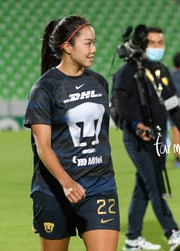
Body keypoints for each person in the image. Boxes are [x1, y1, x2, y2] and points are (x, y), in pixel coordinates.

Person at [23, 15, 119, 251]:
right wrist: (66, 183)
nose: (93, 49)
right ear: (67, 47)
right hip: (55, 190)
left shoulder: (99, 83)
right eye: (88, 43)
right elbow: (42, 146)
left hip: (100, 186)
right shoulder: (44, 88)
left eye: (94, 42)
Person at [113, 26, 180, 251]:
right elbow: (121, 103)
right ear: (142, 45)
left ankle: (132, 239)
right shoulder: (127, 72)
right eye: (153, 43)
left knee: (144, 187)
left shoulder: (162, 71)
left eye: (161, 42)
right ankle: (172, 231)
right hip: (137, 139)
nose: (158, 47)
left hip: (158, 138)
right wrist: (138, 125)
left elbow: (172, 105)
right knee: (155, 182)